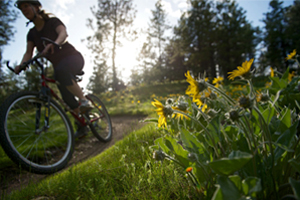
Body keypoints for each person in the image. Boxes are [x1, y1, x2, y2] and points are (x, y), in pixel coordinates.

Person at [14, 0, 91, 138]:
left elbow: (63, 33)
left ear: (37, 7)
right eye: (21, 9)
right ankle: (82, 123)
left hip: (73, 58)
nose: (23, 10)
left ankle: (84, 100)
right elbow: (28, 53)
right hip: (59, 67)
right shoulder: (31, 34)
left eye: (26, 6)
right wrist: (22, 64)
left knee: (61, 71)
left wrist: (55, 43)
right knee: (65, 95)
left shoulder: (52, 22)